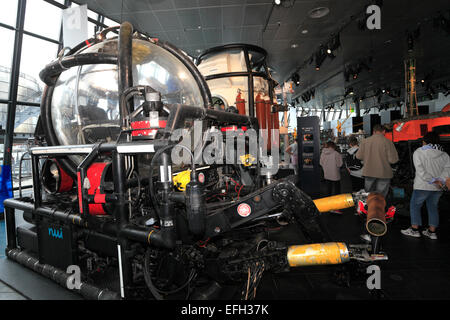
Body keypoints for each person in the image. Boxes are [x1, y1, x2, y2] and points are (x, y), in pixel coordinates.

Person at [401, 132, 450, 240]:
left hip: (422, 185)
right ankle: (432, 232)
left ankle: (414, 230)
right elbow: (447, 170)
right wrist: (439, 180)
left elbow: (420, 171)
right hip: (438, 187)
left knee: (415, 206)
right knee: (433, 208)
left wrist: (432, 180)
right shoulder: (445, 155)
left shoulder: (419, 152)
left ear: (424, 141)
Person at [356, 124, 399, 198]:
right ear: (384, 131)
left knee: (369, 195)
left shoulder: (365, 141)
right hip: (384, 173)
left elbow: (358, 156)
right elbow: (393, 160)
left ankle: (369, 208)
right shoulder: (388, 142)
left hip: (369, 172)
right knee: (380, 197)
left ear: (373, 132)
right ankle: (379, 208)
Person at [320, 141, 343, 213]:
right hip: (335, 175)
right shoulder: (336, 154)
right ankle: (336, 208)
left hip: (327, 174)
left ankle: (328, 206)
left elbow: (320, 163)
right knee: (336, 191)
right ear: (333, 146)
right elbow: (340, 164)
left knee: (328, 190)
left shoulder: (323, 153)